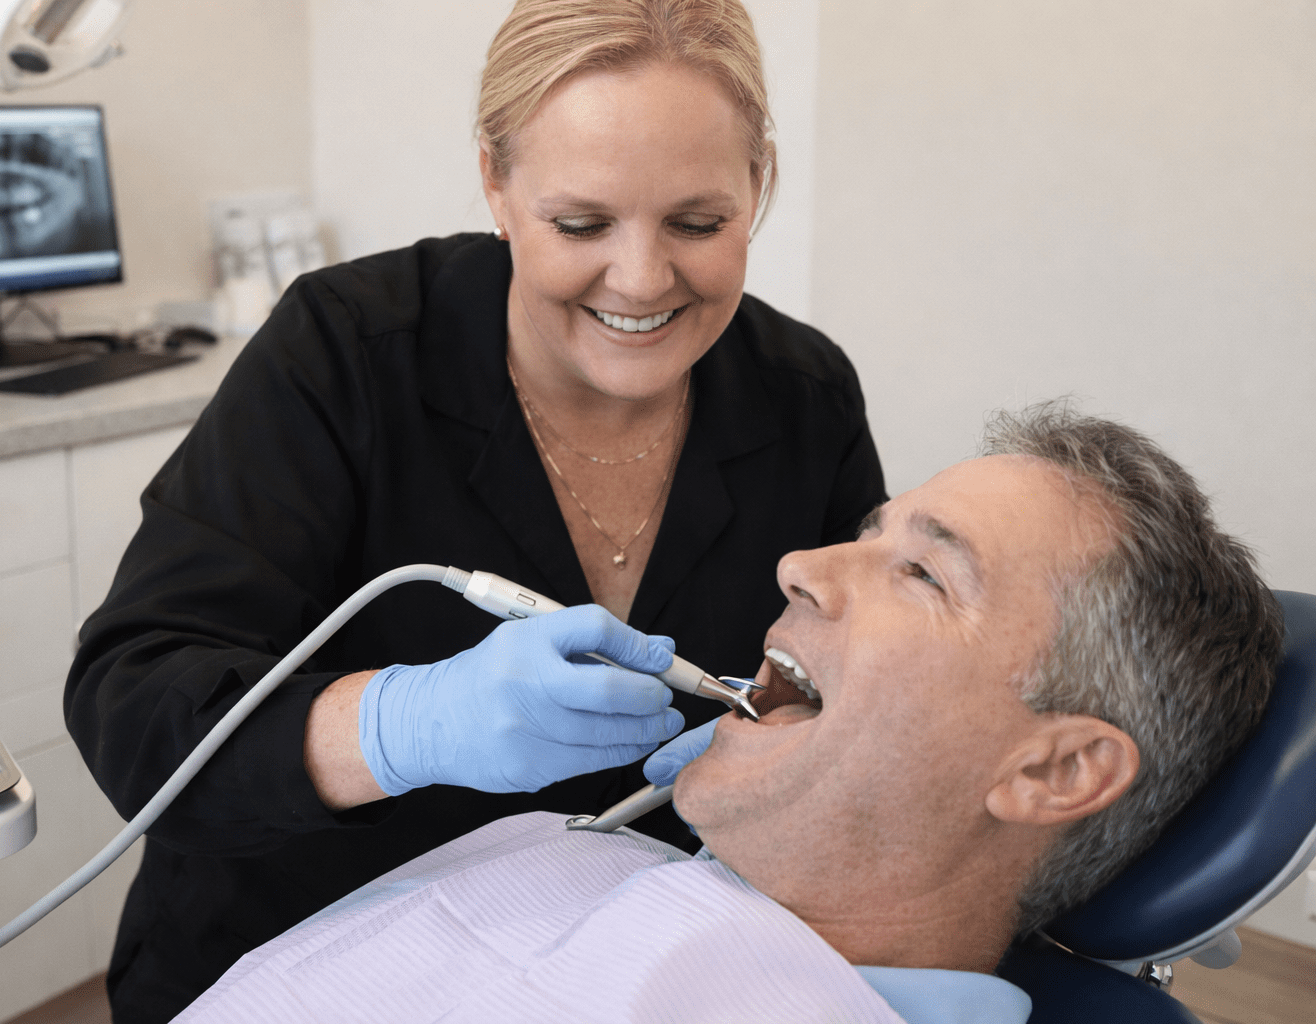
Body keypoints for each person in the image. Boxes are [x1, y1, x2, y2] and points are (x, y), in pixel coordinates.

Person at [65, 1, 886, 1019]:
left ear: (758, 180)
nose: (641, 277)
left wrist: (792, 741)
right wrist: (400, 725)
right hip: (295, 962)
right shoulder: (346, 354)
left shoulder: (800, 393)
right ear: (496, 184)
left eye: (698, 221)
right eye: (581, 223)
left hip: (619, 973)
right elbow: (134, 702)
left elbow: (853, 679)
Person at [170, 404, 1283, 1024]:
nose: (800, 563)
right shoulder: (566, 854)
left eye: (925, 576)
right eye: (871, 530)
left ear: (1054, 772)